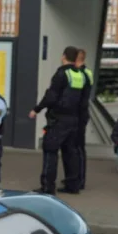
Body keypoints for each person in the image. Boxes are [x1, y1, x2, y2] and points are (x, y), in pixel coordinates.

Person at [29, 46, 85, 195]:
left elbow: (51, 96)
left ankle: (47, 187)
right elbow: (83, 100)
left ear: (64, 56)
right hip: (74, 119)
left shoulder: (61, 74)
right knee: (70, 152)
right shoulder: (80, 75)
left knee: (50, 150)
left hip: (59, 119)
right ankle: (72, 185)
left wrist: (37, 109)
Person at [74, 48, 94, 190]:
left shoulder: (82, 74)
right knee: (77, 147)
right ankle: (77, 177)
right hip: (81, 113)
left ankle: (79, 179)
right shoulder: (88, 73)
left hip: (79, 114)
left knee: (78, 147)